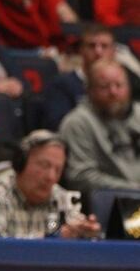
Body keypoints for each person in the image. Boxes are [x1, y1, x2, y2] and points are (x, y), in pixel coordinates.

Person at [0, 130, 102, 239]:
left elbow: (73, 233)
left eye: (58, 170)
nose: (51, 177)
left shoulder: (61, 197)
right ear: (20, 163)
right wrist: (53, 238)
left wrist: (85, 233)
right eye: (44, 166)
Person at [59, 59, 140, 193]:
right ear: (89, 90)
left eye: (119, 85)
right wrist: (134, 191)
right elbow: (80, 178)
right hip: (108, 205)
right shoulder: (77, 123)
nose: (113, 92)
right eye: (104, 86)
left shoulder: (138, 113)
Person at [42, 24, 140, 130]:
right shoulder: (62, 84)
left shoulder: (130, 80)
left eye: (104, 46)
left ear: (114, 50)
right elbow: (58, 125)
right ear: (81, 50)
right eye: (91, 46)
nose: (98, 52)